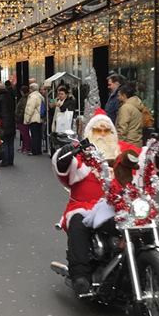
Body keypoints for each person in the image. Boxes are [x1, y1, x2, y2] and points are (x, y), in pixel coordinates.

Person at [52, 109, 120, 294]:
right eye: (98, 131)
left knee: (148, 220)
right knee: (78, 223)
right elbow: (63, 169)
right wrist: (65, 156)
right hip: (85, 206)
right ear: (90, 133)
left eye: (107, 131)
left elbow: (143, 160)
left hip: (119, 205)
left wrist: (157, 154)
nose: (103, 135)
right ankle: (80, 274)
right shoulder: (82, 156)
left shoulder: (121, 152)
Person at [0, 81, 16, 167]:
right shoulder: (10, 95)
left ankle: (5, 161)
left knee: (4, 142)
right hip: (11, 121)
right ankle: (11, 160)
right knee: (10, 142)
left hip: (3, 122)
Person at [24, 82, 43, 155]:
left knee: (34, 135)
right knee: (38, 135)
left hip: (34, 118)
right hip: (39, 118)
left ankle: (34, 150)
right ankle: (38, 150)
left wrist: (27, 119)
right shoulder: (40, 96)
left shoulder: (33, 97)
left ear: (31, 89)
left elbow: (30, 108)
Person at [15, 86, 31, 153]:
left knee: (25, 134)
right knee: (24, 134)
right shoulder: (25, 98)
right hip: (22, 118)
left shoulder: (24, 99)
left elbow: (23, 109)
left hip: (21, 118)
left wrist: (18, 116)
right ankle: (24, 147)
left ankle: (26, 147)